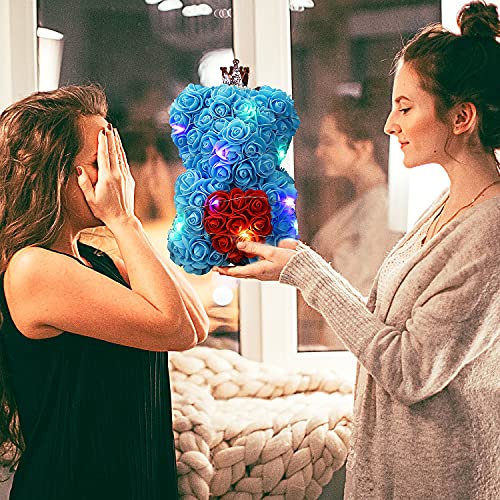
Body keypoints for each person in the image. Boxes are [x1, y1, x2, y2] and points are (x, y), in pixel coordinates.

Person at [215, 2, 500, 498]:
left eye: (405, 108)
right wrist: (292, 265)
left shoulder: (489, 231)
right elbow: (381, 323)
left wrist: (307, 272)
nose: (389, 124)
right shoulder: (447, 204)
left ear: (461, 117)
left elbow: (408, 370)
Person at [0, 85, 209, 499]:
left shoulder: (96, 258)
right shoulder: (32, 268)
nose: (119, 177)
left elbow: (195, 323)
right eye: (102, 162)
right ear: (54, 175)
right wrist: (123, 219)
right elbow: (176, 329)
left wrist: (125, 224)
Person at [313, 95, 402, 296]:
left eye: (328, 142)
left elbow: (360, 288)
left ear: (363, 148)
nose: (319, 152)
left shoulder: (380, 206)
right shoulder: (364, 202)